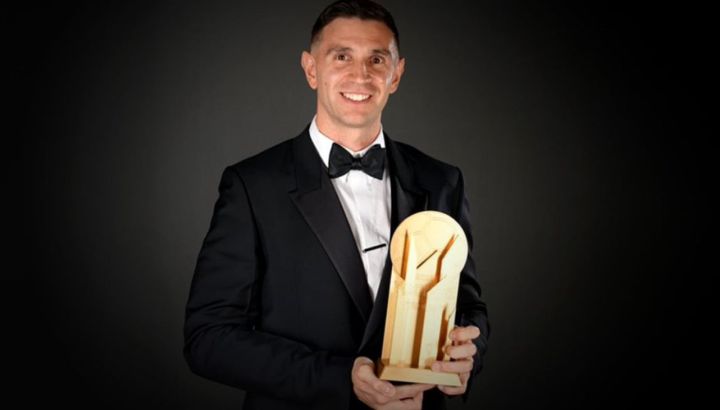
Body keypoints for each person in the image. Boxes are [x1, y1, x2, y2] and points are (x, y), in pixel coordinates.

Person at [183, 1, 489, 409]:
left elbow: (467, 305)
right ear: (311, 69)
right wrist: (341, 379)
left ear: (396, 74)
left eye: (376, 59)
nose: (360, 75)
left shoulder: (442, 180)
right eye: (341, 56)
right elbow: (208, 338)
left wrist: (470, 354)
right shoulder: (251, 186)